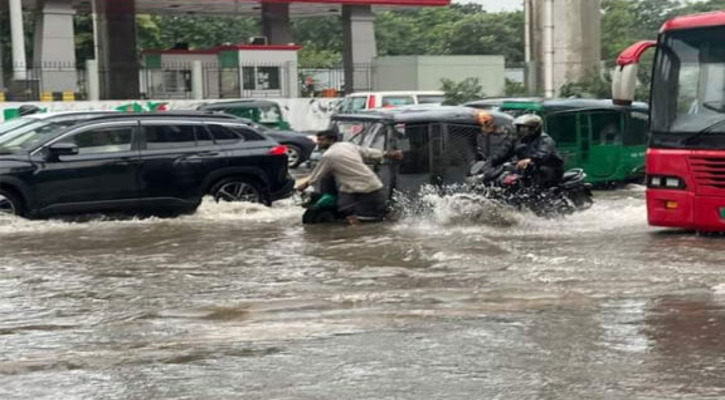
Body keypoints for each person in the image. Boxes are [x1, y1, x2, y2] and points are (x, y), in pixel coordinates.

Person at [296, 129, 403, 225]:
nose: (318, 143)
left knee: (368, 216)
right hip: (351, 186)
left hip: (366, 186)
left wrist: (304, 185)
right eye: (318, 140)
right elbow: (369, 152)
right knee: (344, 208)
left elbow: (317, 174)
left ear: (331, 140)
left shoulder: (329, 155)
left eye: (322, 140)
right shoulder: (347, 145)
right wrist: (389, 154)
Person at [486, 114, 564, 187]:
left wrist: (530, 159)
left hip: (549, 169)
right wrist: (491, 161)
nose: (522, 131)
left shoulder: (545, 139)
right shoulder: (518, 140)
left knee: (539, 172)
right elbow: (505, 152)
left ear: (534, 128)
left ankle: (539, 197)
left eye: (525, 128)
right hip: (526, 169)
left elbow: (543, 154)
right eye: (520, 128)